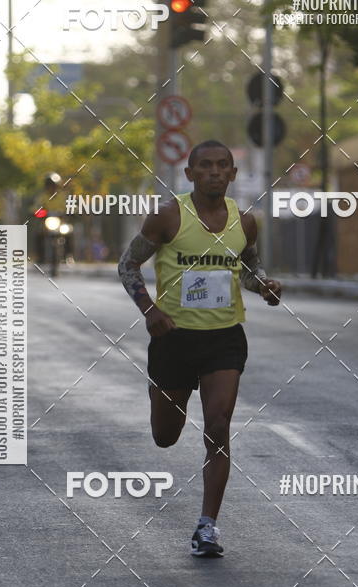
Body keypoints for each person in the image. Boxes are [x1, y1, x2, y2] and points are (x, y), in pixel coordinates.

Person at [118, 140, 281, 557]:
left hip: (224, 338)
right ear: (189, 175)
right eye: (204, 166)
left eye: (221, 165)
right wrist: (148, 309)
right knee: (165, 436)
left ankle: (207, 527)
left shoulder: (245, 223)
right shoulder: (167, 218)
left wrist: (264, 285)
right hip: (172, 339)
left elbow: (247, 269)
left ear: (231, 174)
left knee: (219, 426)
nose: (213, 171)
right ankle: (162, 393)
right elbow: (128, 264)